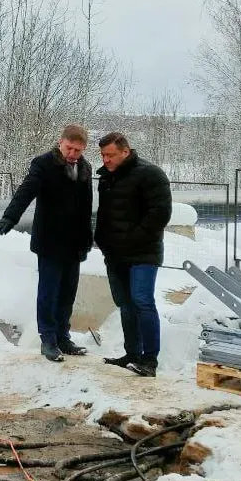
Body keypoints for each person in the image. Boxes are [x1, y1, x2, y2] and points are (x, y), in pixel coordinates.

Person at [0, 124, 94, 362]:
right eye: (70, 148)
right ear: (60, 142)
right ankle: (48, 340)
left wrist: (87, 239)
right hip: (50, 241)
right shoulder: (44, 164)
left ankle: (63, 336)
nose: (73, 154)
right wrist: (10, 216)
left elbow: (86, 207)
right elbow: (26, 191)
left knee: (68, 292)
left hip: (74, 243)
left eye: (78, 150)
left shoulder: (84, 167)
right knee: (49, 292)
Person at [94, 132, 172, 378]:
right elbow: (105, 214)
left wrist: (133, 239)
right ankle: (132, 354)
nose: (105, 160)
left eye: (110, 155)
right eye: (103, 155)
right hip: (115, 254)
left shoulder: (151, 174)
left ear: (125, 151)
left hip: (143, 253)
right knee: (125, 305)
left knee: (142, 301)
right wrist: (101, 239)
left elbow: (160, 213)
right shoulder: (106, 177)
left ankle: (150, 360)